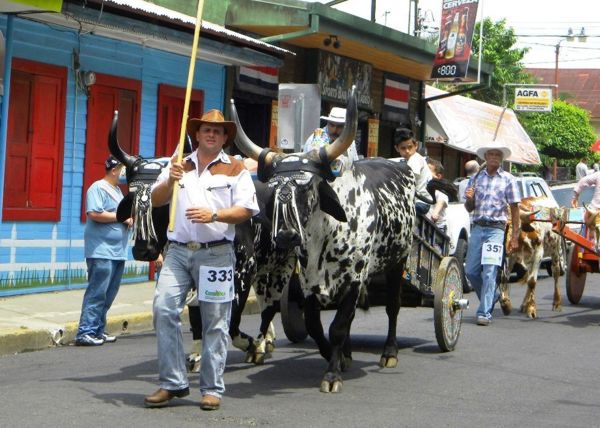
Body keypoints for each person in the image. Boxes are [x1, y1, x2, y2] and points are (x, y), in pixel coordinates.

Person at [144, 109, 259, 411]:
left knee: (215, 322)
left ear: (224, 138)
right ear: (196, 134)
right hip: (178, 251)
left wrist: (215, 215)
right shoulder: (178, 164)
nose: (211, 134)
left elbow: (246, 209)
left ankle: (211, 389)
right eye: (206, 129)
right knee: (163, 308)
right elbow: (156, 200)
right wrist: (170, 180)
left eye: (217, 131)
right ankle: (173, 383)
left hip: (217, 253)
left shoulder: (236, 169)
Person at [75, 155, 132, 346]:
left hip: (117, 251)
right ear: (114, 170)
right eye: (123, 169)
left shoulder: (117, 190)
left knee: (109, 293)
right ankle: (85, 331)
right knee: (97, 292)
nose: (125, 173)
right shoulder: (98, 187)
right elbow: (94, 213)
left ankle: (98, 329)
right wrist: (121, 217)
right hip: (101, 251)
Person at [464, 142, 520, 326]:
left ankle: (484, 312)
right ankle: (493, 295)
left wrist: (514, 236)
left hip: (496, 229)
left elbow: (514, 209)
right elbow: (469, 207)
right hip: (478, 227)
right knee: (471, 271)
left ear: (501, 159)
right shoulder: (475, 179)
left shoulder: (508, 179)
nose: (494, 157)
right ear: (485, 157)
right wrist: (470, 198)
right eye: (491, 154)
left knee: (489, 271)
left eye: (498, 154)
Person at [302, 106, 359, 172]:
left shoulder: (349, 142)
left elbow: (355, 165)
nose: (335, 130)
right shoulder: (314, 140)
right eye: (332, 125)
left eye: (340, 126)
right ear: (327, 123)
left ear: (345, 127)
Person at [392, 127, 432, 214]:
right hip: (421, 202)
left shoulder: (415, 159)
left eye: (410, 147)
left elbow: (407, 181)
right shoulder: (409, 160)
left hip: (421, 203)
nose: (407, 151)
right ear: (396, 148)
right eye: (403, 148)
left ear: (416, 145)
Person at [572, 169, 600, 246]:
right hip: (594, 216)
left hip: (591, 213)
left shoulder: (598, 175)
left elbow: (582, 181)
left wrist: (575, 197)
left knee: (591, 241)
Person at [426, 158, 449, 233]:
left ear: (438, 176)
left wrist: (435, 212)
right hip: (422, 226)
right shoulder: (421, 188)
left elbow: (441, 201)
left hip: (437, 229)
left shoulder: (439, 191)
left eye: (427, 170)